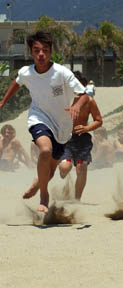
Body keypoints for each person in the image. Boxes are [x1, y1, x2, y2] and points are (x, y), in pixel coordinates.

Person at [0, 31, 89, 213]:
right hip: (39, 117)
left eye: (45, 50)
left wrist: (77, 106)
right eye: (36, 50)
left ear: (50, 52)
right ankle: (44, 196)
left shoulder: (62, 72)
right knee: (45, 150)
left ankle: (37, 184)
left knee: (51, 169)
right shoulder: (27, 72)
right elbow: (17, 82)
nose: (41, 54)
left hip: (63, 127)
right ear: (31, 53)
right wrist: (3, 101)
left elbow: (84, 95)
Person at [58, 71, 103, 200]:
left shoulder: (89, 101)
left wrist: (87, 128)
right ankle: (62, 171)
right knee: (65, 167)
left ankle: (77, 199)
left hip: (82, 139)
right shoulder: (63, 100)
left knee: (82, 167)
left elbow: (99, 120)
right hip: (64, 138)